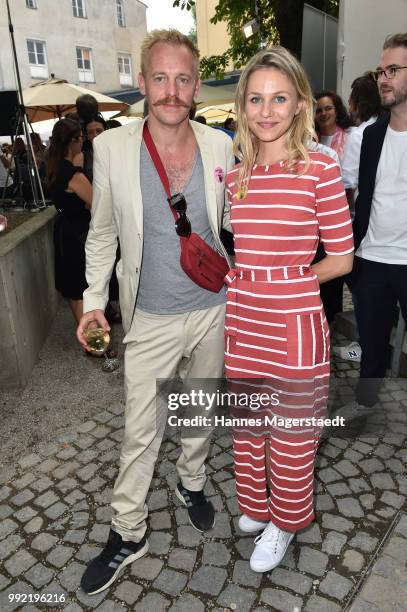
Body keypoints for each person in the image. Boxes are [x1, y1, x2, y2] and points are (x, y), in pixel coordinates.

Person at [76, 29, 234, 595]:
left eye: (183, 79)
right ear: (143, 83)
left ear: (195, 85)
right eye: (160, 78)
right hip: (150, 315)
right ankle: (128, 530)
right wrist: (93, 303)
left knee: (200, 406)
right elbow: (102, 237)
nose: (172, 90)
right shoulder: (113, 148)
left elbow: (236, 223)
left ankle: (192, 479)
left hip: (213, 307)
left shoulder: (219, 145)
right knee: (140, 430)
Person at [225, 46, 354, 572]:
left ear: (301, 103)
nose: (267, 110)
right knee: (249, 425)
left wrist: (293, 282)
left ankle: (286, 519)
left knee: (294, 430)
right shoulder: (237, 174)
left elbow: (342, 258)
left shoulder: (321, 166)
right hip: (244, 314)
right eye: (256, 98)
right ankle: (258, 508)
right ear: (242, 105)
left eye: (280, 98)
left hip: (295, 318)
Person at [352, 32, 407, 407]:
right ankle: (364, 407)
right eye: (379, 71)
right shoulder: (371, 135)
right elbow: (365, 197)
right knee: (370, 350)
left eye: (392, 70)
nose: (382, 79)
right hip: (371, 259)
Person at [46, 118, 92, 324]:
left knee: (74, 291)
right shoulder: (73, 173)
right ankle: (94, 343)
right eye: (81, 137)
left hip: (65, 232)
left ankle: (88, 339)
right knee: (82, 289)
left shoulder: (54, 168)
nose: (82, 141)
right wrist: (80, 169)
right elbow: (96, 203)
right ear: (73, 140)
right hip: (78, 235)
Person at [315, 91, 353, 161]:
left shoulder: (349, 139)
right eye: (319, 111)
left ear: (337, 111)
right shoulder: (311, 141)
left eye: (328, 108)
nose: (323, 113)